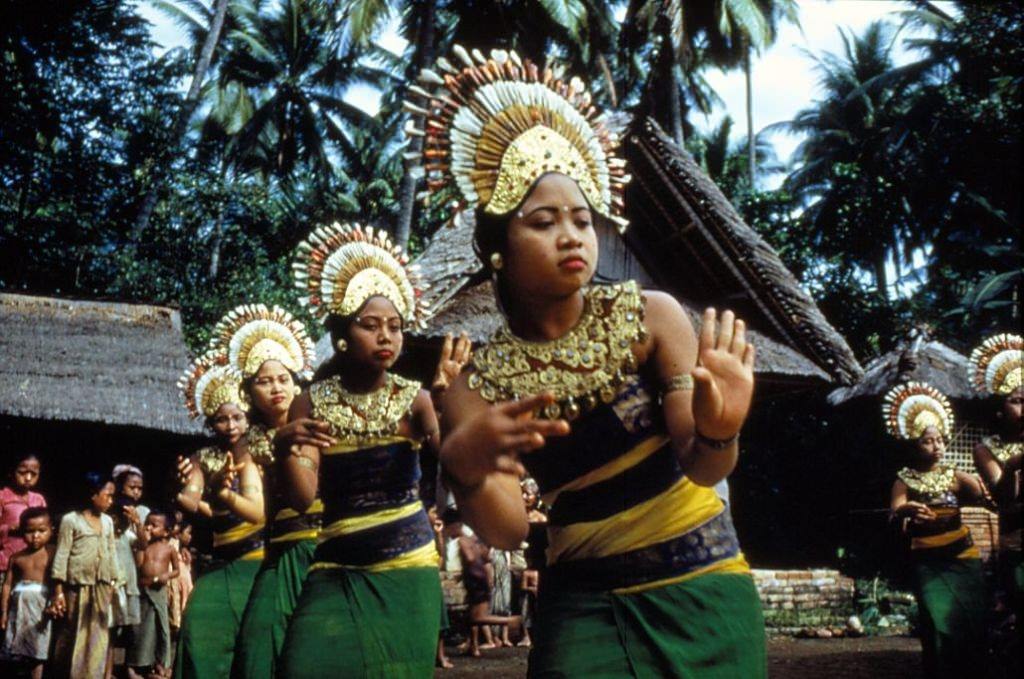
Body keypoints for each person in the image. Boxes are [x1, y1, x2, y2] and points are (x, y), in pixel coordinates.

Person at [409, 47, 764, 677]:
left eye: (581, 218)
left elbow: (704, 467)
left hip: (704, 587)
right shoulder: (474, 386)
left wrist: (721, 426)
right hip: (585, 609)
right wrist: (462, 460)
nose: (572, 235)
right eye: (543, 222)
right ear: (498, 250)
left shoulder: (652, 317)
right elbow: (511, 532)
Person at [279, 223, 468, 678]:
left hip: (408, 568)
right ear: (343, 333)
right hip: (335, 567)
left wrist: (450, 399)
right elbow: (302, 499)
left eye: (395, 327)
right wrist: (285, 444)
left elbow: (459, 468)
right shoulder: (312, 401)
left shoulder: (416, 399)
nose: (386, 336)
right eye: (370, 326)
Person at [203, 303, 325, 679]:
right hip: (281, 550)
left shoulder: (320, 421)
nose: (276, 387)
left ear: (296, 381)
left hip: (327, 547)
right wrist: (222, 493)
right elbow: (256, 510)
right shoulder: (249, 444)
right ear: (247, 390)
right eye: (264, 380)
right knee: (258, 648)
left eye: (284, 378)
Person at [884, 381, 988, 679]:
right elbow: (895, 508)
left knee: (972, 619)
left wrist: (976, 483)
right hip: (928, 560)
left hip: (964, 557)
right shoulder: (904, 480)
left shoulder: (954, 477)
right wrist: (907, 510)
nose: (937, 446)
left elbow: (983, 495)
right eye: (928, 441)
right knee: (938, 620)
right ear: (913, 445)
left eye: (941, 440)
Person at [174, 351, 265, 679]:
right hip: (223, 563)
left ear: (248, 416)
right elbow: (191, 498)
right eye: (222, 419)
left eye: (237, 417)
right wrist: (186, 490)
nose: (231, 426)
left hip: (262, 561)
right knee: (197, 629)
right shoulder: (203, 458)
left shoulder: (264, 450)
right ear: (211, 422)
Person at [968, 333, 1022, 675]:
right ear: (999, 408)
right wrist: (1017, 463)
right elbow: (1004, 498)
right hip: (1017, 544)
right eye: (1016, 400)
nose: (1023, 409)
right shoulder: (985, 448)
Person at [49, 472, 122, 679]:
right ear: (93, 494)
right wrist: (58, 591)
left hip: (101, 585)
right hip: (77, 586)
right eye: (107, 495)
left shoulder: (107, 521)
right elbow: (62, 554)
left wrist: (114, 581)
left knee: (98, 633)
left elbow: (111, 552)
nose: (111, 500)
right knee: (74, 634)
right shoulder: (71, 520)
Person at [0, 507, 54, 679]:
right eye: (30, 531)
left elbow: (57, 581)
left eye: (41, 530)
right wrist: (3, 612)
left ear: (51, 530)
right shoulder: (16, 558)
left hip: (41, 609)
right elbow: (7, 585)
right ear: (22, 532)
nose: (35, 536)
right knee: (16, 648)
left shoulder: (51, 554)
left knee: (38, 648)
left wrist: (55, 601)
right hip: (19, 608)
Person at [128, 511, 180, 678]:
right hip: (144, 589)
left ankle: (162, 662)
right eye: (147, 524)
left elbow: (177, 570)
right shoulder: (144, 546)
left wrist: (167, 575)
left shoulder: (170, 549)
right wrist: (140, 529)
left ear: (166, 531)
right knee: (141, 628)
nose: (150, 528)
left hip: (159, 591)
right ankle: (137, 663)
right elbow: (140, 560)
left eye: (154, 525)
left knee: (162, 627)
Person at [110, 464, 149, 674]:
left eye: (139, 488)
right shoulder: (110, 511)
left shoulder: (143, 512)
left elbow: (143, 544)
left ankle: (129, 667)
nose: (136, 491)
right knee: (111, 624)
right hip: (113, 572)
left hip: (131, 572)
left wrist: (138, 524)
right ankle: (106, 670)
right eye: (131, 486)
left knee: (131, 625)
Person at [1, 455, 47, 591]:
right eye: (22, 473)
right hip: (5, 564)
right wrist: (9, 529)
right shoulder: (3, 497)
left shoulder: (39, 499)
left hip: (31, 568)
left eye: (33, 474)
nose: (28, 477)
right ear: (12, 472)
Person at [168, 521, 194, 637]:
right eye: (187, 533)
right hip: (176, 586)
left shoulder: (182, 551)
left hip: (183, 587)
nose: (190, 536)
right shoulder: (172, 548)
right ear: (178, 534)